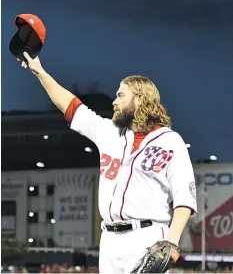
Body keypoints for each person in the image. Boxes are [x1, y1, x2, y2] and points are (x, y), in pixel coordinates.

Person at [18, 52, 197, 274]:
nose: (114, 101)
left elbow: (184, 197)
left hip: (148, 237)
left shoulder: (170, 141)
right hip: (110, 240)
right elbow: (72, 106)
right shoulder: (109, 133)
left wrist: (171, 241)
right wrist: (40, 72)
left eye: (121, 95)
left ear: (140, 99)